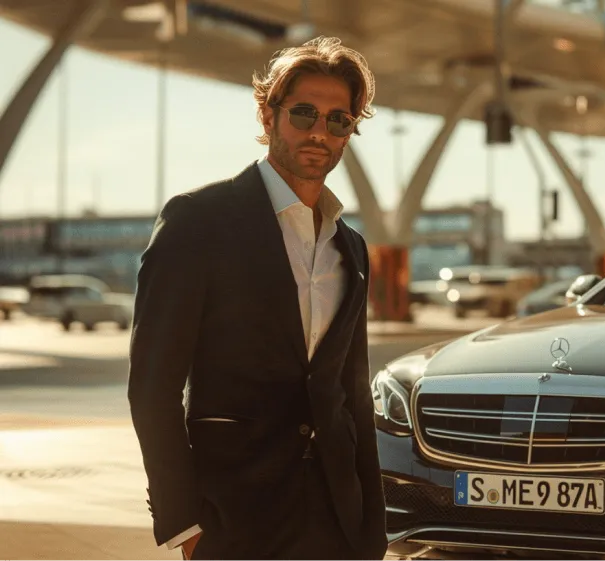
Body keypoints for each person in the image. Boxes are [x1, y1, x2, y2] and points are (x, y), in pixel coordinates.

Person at [128, 36, 386, 561]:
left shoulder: (351, 248)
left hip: (338, 526)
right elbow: (153, 389)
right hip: (232, 522)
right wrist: (186, 527)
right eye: (305, 113)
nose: (320, 131)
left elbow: (353, 397)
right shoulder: (198, 222)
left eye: (339, 120)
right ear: (268, 115)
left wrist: (372, 525)